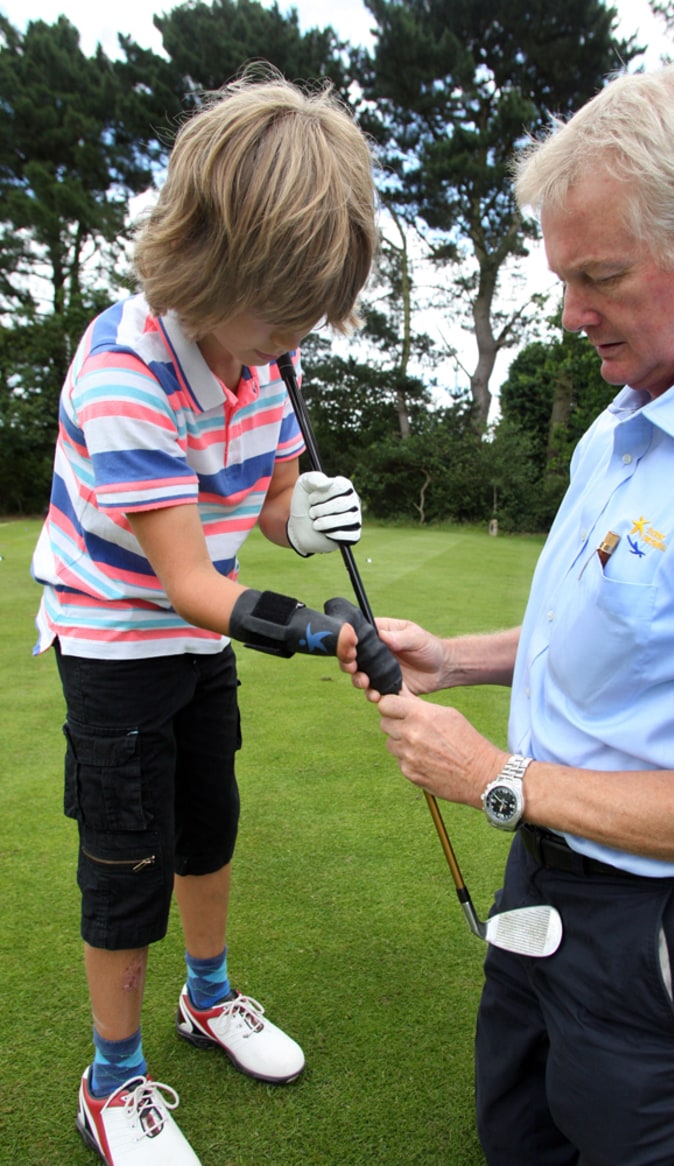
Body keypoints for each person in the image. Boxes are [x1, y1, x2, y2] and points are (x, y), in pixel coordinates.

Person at [340, 61, 674, 1166]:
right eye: (561, 275)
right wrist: (455, 660)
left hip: (666, 928)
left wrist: (496, 775)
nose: (570, 313)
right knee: (520, 1129)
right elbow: (626, 636)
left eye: (601, 275)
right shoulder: (621, 418)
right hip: (547, 874)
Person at [31, 70, 389, 1166]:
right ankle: (113, 1078)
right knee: (127, 861)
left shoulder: (263, 357)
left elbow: (271, 498)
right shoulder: (126, 371)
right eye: (281, 312)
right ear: (210, 265)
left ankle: (208, 996)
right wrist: (315, 623)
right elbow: (187, 576)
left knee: (210, 821)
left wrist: (303, 519)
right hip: (119, 642)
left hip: (195, 643)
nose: (292, 340)